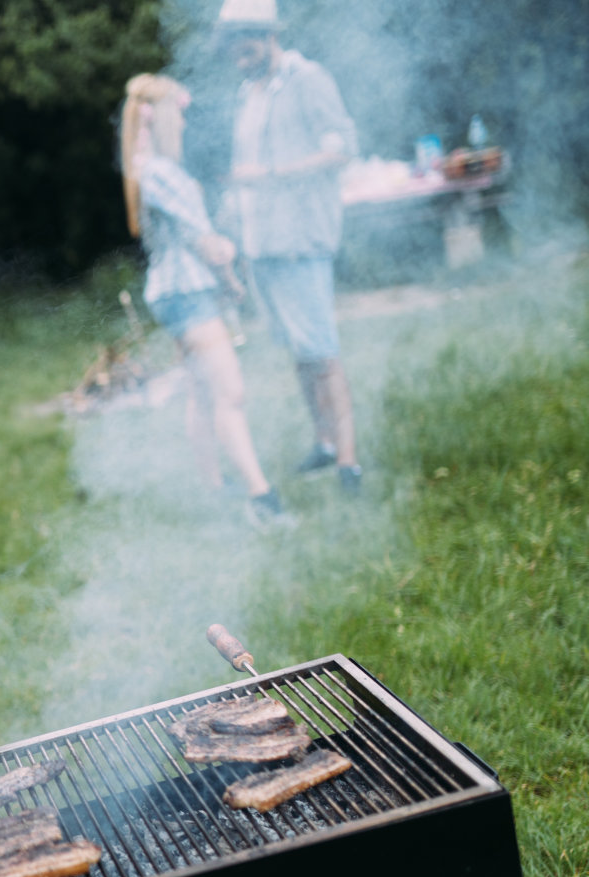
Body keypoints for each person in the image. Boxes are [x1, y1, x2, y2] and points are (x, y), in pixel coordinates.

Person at [120, 73, 289, 526]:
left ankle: (214, 490)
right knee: (230, 392)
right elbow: (207, 243)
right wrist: (231, 266)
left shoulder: (145, 170)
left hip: (176, 293)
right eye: (180, 114)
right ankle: (262, 498)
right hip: (190, 294)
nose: (185, 123)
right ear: (162, 118)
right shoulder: (161, 173)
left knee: (200, 389)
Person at [218, 0, 363, 493]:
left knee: (321, 349)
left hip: (301, 240)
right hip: (262, 246)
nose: (238, 48)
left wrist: (272, 174)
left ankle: (349, 462)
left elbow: (341, 147)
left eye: (246, 37)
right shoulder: (247, 92)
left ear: (268, 34)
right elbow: (243, 170)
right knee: (298, 351)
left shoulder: (308, 79)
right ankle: (323, 443)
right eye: (231, 40)